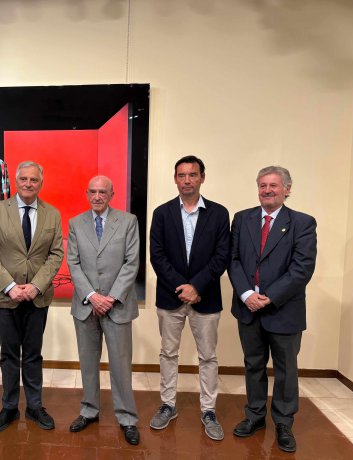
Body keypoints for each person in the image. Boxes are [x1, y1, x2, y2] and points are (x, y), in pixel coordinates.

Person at [228, 166, 317, 453]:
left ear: (287, 189)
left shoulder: (302, 223)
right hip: (248, 308)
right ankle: (254, 416)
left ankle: (283, 423)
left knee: (285, 369)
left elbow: (302, 268)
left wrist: (268, 297)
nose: (267, 190)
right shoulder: (242, 219)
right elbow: (233, 260)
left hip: (283, 309)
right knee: (253, 364)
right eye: (262, 185)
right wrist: (246, 294)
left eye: (274, 185)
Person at [0, 161, 64, 432]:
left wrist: (36, 285)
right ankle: (9, 407)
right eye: (24, 179)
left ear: (41, 183)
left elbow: (56, 254)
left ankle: (35, 406)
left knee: (33, 354)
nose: (28, 183)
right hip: (5, 297)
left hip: (38, 297)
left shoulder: (52, 214)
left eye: (33, 180)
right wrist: (9, 285)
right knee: (9, 354)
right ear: (16, 181)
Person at [149, 155, 230, 441]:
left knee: (208, 356)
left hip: (206, 298)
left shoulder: (219, 213)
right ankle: (168, 405)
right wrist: (181, 286)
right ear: (175, 179)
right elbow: (157, 255)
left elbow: (222, 255)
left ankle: (208, 410)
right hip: (170, 297)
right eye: (181, 175)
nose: (187, 180)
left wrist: (196, 286)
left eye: (192, 175)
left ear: (202, 178)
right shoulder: (162, 213)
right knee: (168, 353)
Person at [66, 175, 141, 445]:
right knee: (87, 363)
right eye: (93, 192)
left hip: (117, 305)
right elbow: (73, 263)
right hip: (86, 306)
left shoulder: (128, 221)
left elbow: (132, 262)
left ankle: (127, 417)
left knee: (121, 365)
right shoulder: (76, 223)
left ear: (112, 195)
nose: (97, 196)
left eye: (103, 192)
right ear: (87, 194)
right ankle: (89, 410)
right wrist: (92, 296)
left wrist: (110, 298)